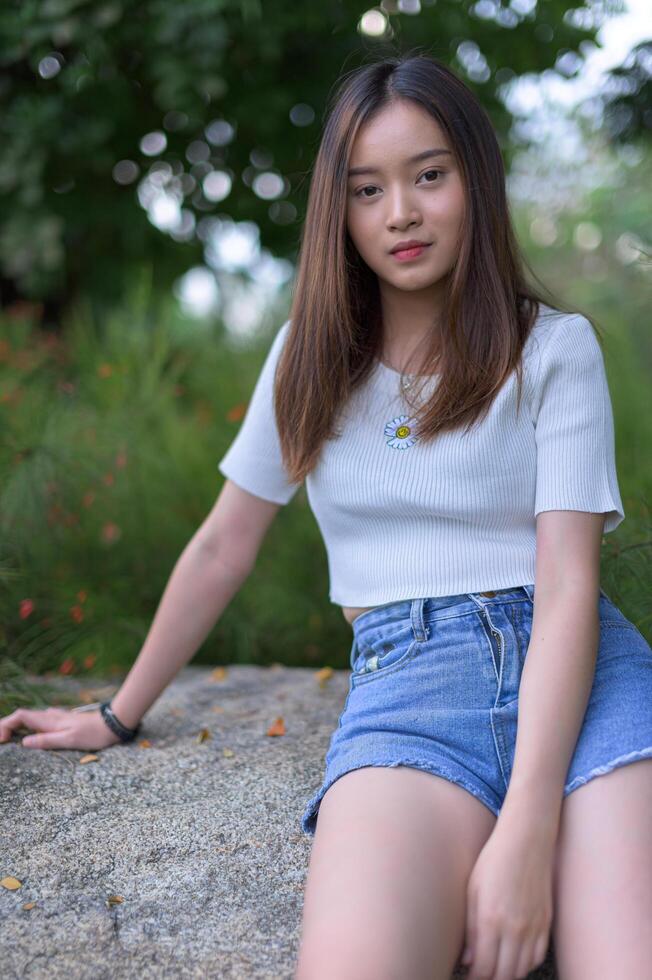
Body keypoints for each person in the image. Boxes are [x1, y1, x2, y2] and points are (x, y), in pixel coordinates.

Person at [2, 51, 651, 980]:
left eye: (430, 175)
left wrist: (527, 829)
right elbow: (227, 542)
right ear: (337, 212)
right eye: (367, 188)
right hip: (410, 688)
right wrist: (118, 712)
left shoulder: (553, 349)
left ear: (476, 178)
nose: (402, 213)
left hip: (587, 685)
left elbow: (568, 583)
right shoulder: (308, 357)